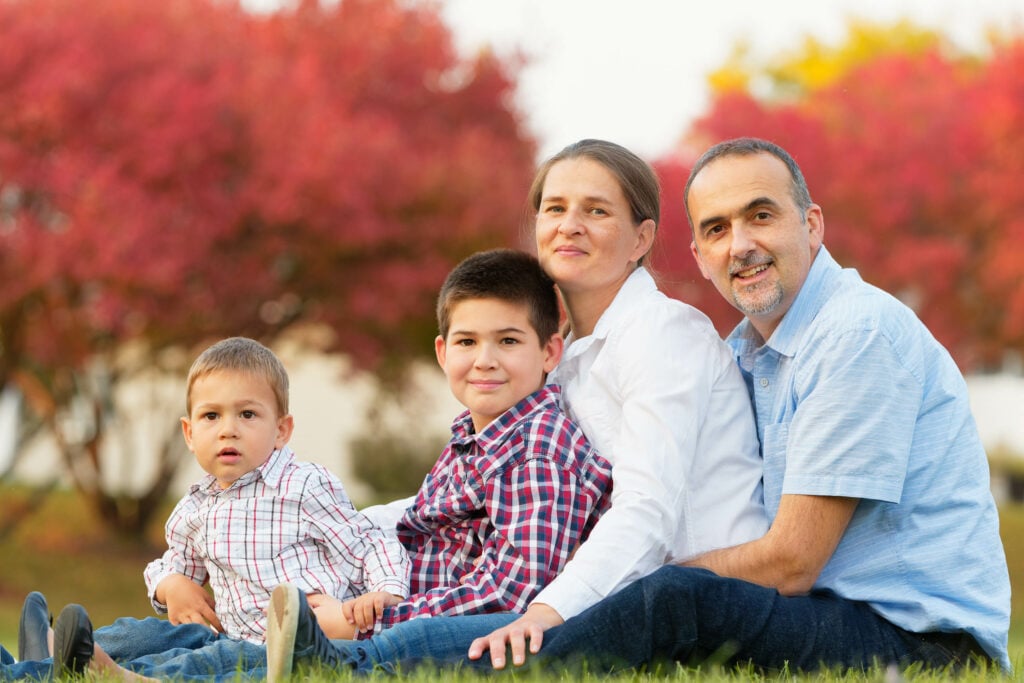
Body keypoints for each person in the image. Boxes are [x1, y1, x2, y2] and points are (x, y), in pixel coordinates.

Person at [484, 137, 1012, 674]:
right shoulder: (744, 351)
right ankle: (424, 638)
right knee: (639, 595)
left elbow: (792, 561)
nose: (739, 245)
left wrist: (626, 586)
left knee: (673, 596)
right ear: (699, 258)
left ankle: (418, 654)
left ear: (811, 225)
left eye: (760, 216)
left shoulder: (856, 332)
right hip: (826, 613)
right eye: (716, 229)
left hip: (920, 641)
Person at [263, 138, 769, 678]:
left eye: (595, 211)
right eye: (555, 209)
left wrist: (544, 613)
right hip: (606, 586)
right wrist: (331, 531)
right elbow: (461, 498)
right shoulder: (565, 352)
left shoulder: (664, 336)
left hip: (681, 604)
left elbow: (647, 512)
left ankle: (298, 655)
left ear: (641, 238)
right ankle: (202, 649)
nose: (569, 225)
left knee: (444, 637)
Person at [11, 250, 615, 681]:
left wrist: (369, 612)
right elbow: (403, 530)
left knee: (229, 654)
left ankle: (94, 674)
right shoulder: (476, 434)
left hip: (377, 619)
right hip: (346, 603)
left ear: (550, 351)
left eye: (508, 341)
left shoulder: (538, 451)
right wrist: (175, 582)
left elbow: (512, 593)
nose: (484, 360)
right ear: (442, 351)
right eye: (466, 342)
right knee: (178, 633)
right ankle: (46, 662)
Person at [11, 336, 410, 680]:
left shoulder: (304, 486)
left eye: (247, 414)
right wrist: (173, 585)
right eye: (211, 416)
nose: (228, 428)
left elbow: (369, 542)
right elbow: (170, 564)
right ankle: (52, 650)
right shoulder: (194, 508)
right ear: (190, 432)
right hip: (225, 630)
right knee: (146, 634)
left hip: (280, 647)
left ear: (281, 430)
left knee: (201, 661)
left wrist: (384, 591)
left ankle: (69, 673)